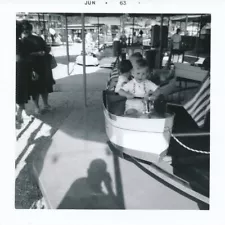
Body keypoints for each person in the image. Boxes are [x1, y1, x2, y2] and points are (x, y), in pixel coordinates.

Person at [21, 20, 55, 115]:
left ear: (30, 29)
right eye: (24, 29)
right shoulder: (22, 41)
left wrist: (46, 50)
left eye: (27, 28)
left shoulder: (38, 38)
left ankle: (46, 104)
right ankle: (37, 107)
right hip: (31, 67)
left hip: (43, 65)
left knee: (45, 86)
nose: (26, 30)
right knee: (34, 89)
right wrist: (37, 53)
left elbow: (46, 48)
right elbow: (23, 55)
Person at [16, 21, 33, 125]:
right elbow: (18, 58)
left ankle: (20, 114)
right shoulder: (19, 43)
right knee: (20, 94)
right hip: (20, 71)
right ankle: (19, 115)